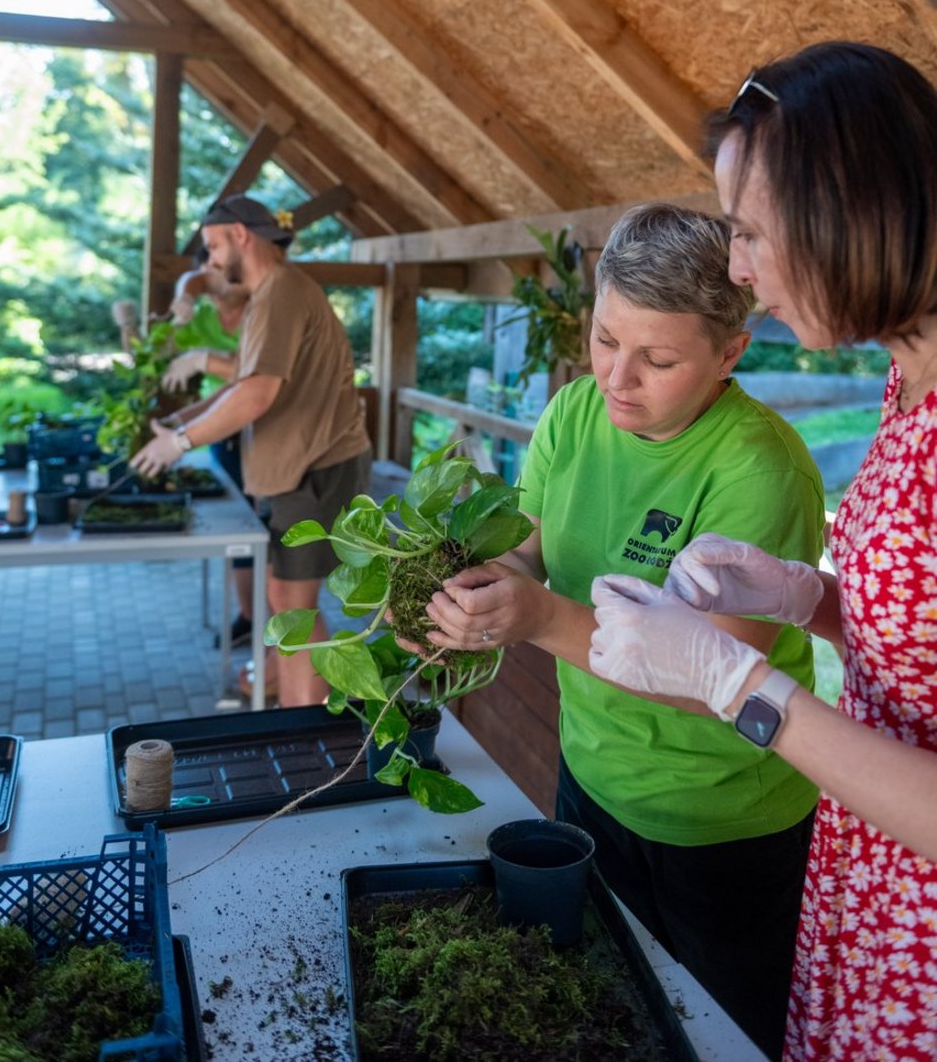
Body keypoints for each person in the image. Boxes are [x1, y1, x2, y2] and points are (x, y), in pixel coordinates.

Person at [588, 42, 937, 1061]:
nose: (736, 268)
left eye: (747, 233)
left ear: (848, 209)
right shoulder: (905, 375)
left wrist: (735, 680)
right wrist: (801, 598)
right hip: (868, 889)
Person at [423, 202, 826, 1059]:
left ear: (730, 354)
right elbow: (526, 554)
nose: (618, 377)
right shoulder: (574, 415)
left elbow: (718, 684)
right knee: (603, 1017)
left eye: (658, 359)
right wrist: (480, 592)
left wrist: (538, 618)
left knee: (720, 1039)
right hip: (591, 779)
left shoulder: (759, 467)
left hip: (723, 827)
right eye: (606, 339)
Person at [131, 194, 372, 708]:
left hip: (316, 467)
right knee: (285, 601)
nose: (212, 260)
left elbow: (258, 394)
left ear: (241, 234)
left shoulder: (282, 291)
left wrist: (179, 443)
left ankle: (300, 728)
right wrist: (180, 420)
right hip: (292, 471)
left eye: (213, 246)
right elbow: (244, 381)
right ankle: (285, 692)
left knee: (293, 607)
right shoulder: (270, 294)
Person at [163, 250, 259, 664]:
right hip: (221, 427)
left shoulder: (261, 310)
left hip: (262, 427)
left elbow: (252, 372)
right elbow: (159, 348)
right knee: (239, 523)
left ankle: (261, 617)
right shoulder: (203, 318)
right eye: (212, 272)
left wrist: (203, 360)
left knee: (257, 527)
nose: (218, 281)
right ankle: (249, 614)